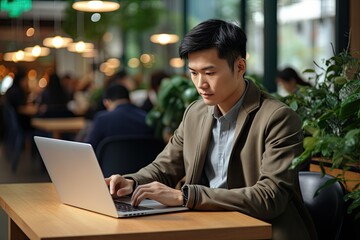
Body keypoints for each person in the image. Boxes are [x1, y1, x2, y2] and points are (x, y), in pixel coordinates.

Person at [106, 19, 317, 240]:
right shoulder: (195, 114)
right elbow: (164, 167)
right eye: (194, 73)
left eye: (209, 72)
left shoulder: (278, 118)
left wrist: (187, 197)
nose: (200, 84)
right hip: (208, 226)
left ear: (240, 67)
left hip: (263, 230)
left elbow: (269, 198)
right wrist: (131, 183)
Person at [84, 84, 154, 151]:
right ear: (130, 99)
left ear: (106, 102)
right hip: (143, 162)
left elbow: (89, 148)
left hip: (109, 162)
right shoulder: (147, 118)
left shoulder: (102, 119)